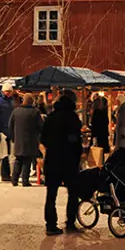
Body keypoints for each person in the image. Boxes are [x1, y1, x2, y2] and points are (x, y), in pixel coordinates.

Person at [40, 92, 83, 235]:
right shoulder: (73, 118)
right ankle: (70, 222)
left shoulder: (51, 118)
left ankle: (51, 225)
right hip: (69, 161)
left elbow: (44, 140)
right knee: (73, 193)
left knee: (51, 194)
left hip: (52, 159)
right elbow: (76, 141)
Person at [9, 93, 43, 187]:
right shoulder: (35, 112)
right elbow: (41, 126)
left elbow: (10, 125)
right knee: (27, 160)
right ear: (32, 102)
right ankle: (25, 180)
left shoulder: (16, 111)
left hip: (18, 140)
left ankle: (14, 180)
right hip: (30, 140)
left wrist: (13, 137)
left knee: (18, 159)